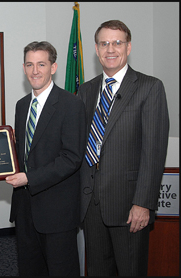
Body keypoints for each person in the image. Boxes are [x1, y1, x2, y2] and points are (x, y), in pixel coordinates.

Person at [78, 20, 170, 276]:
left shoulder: (150, 87)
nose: (110, 49)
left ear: (128, 47)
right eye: (104, 43)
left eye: (117, 42)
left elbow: (154, 152)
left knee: (130, 271)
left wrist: (143, 203)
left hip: (129, 206)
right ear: (96, 49)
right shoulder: (86, 90)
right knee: (97, 270)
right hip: (91, 205)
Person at [6, 41, 86, 276]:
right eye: (29, 64)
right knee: (30, 270)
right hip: (24, 209)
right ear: (23, 68)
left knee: (62, 271)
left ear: (54, 67)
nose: (35, 71)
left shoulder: (71, 105)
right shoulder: (22, 106)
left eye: (41, 64)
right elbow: (21, 151)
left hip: (57, 212)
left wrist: (29, 178)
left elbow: (71, 158)